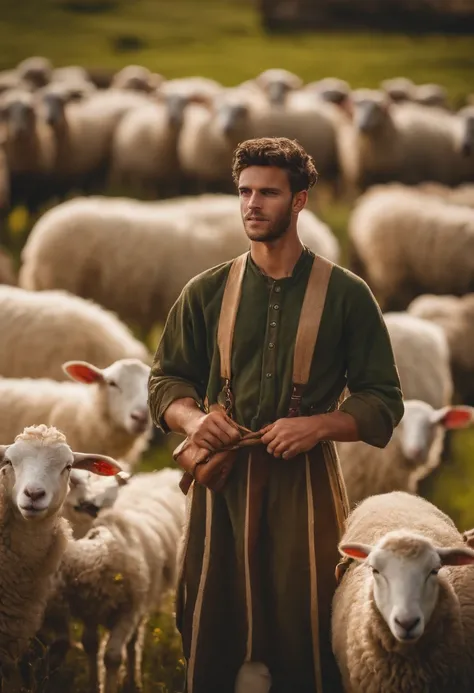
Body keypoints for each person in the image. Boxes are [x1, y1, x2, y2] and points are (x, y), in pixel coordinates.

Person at [148, 137, 404, 693]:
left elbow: (383, 400)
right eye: (244, 192)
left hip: (304, 485)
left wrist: (318, 425)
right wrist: (193, 421)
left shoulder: (347, 295)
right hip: (222, 481)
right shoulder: (206, 290)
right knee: (210, 626)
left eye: (268, 192)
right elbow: (165, 380)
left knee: (308, 625)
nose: (252, 205)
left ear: (300, 201)